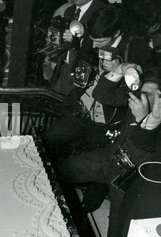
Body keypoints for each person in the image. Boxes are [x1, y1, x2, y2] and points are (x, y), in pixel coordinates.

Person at [42, 6, 156, 160]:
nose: (94, 45)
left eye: (100, 41)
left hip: (105, 124)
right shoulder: (92, 38)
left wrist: (116, 74)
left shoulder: (137, 49)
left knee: (86, 165)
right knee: (47, 140)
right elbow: (79, 66)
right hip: (80, 111)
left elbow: (137, 95)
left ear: (116, 33)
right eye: (92, 40)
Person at [55, 66, 161, 213]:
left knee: (118, 223)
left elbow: (141, 156)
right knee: (61, 170)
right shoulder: (138, 100)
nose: (142, 99)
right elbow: (101, 94)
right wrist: (119, 70)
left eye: (148, 95)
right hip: (110, 156)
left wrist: (141, 119)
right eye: (141, 92)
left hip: (130, 176)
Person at [109, 84, 161, 237]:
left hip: (147, 190)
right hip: (140, 183)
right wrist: (152, 119)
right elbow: (143, 141)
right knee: (121, 231)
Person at [49, 0, 106, 95]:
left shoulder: (102, 12)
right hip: (63, 72)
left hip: (85, 77)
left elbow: (103, 45)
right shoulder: (69, 11)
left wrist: (78, 39)